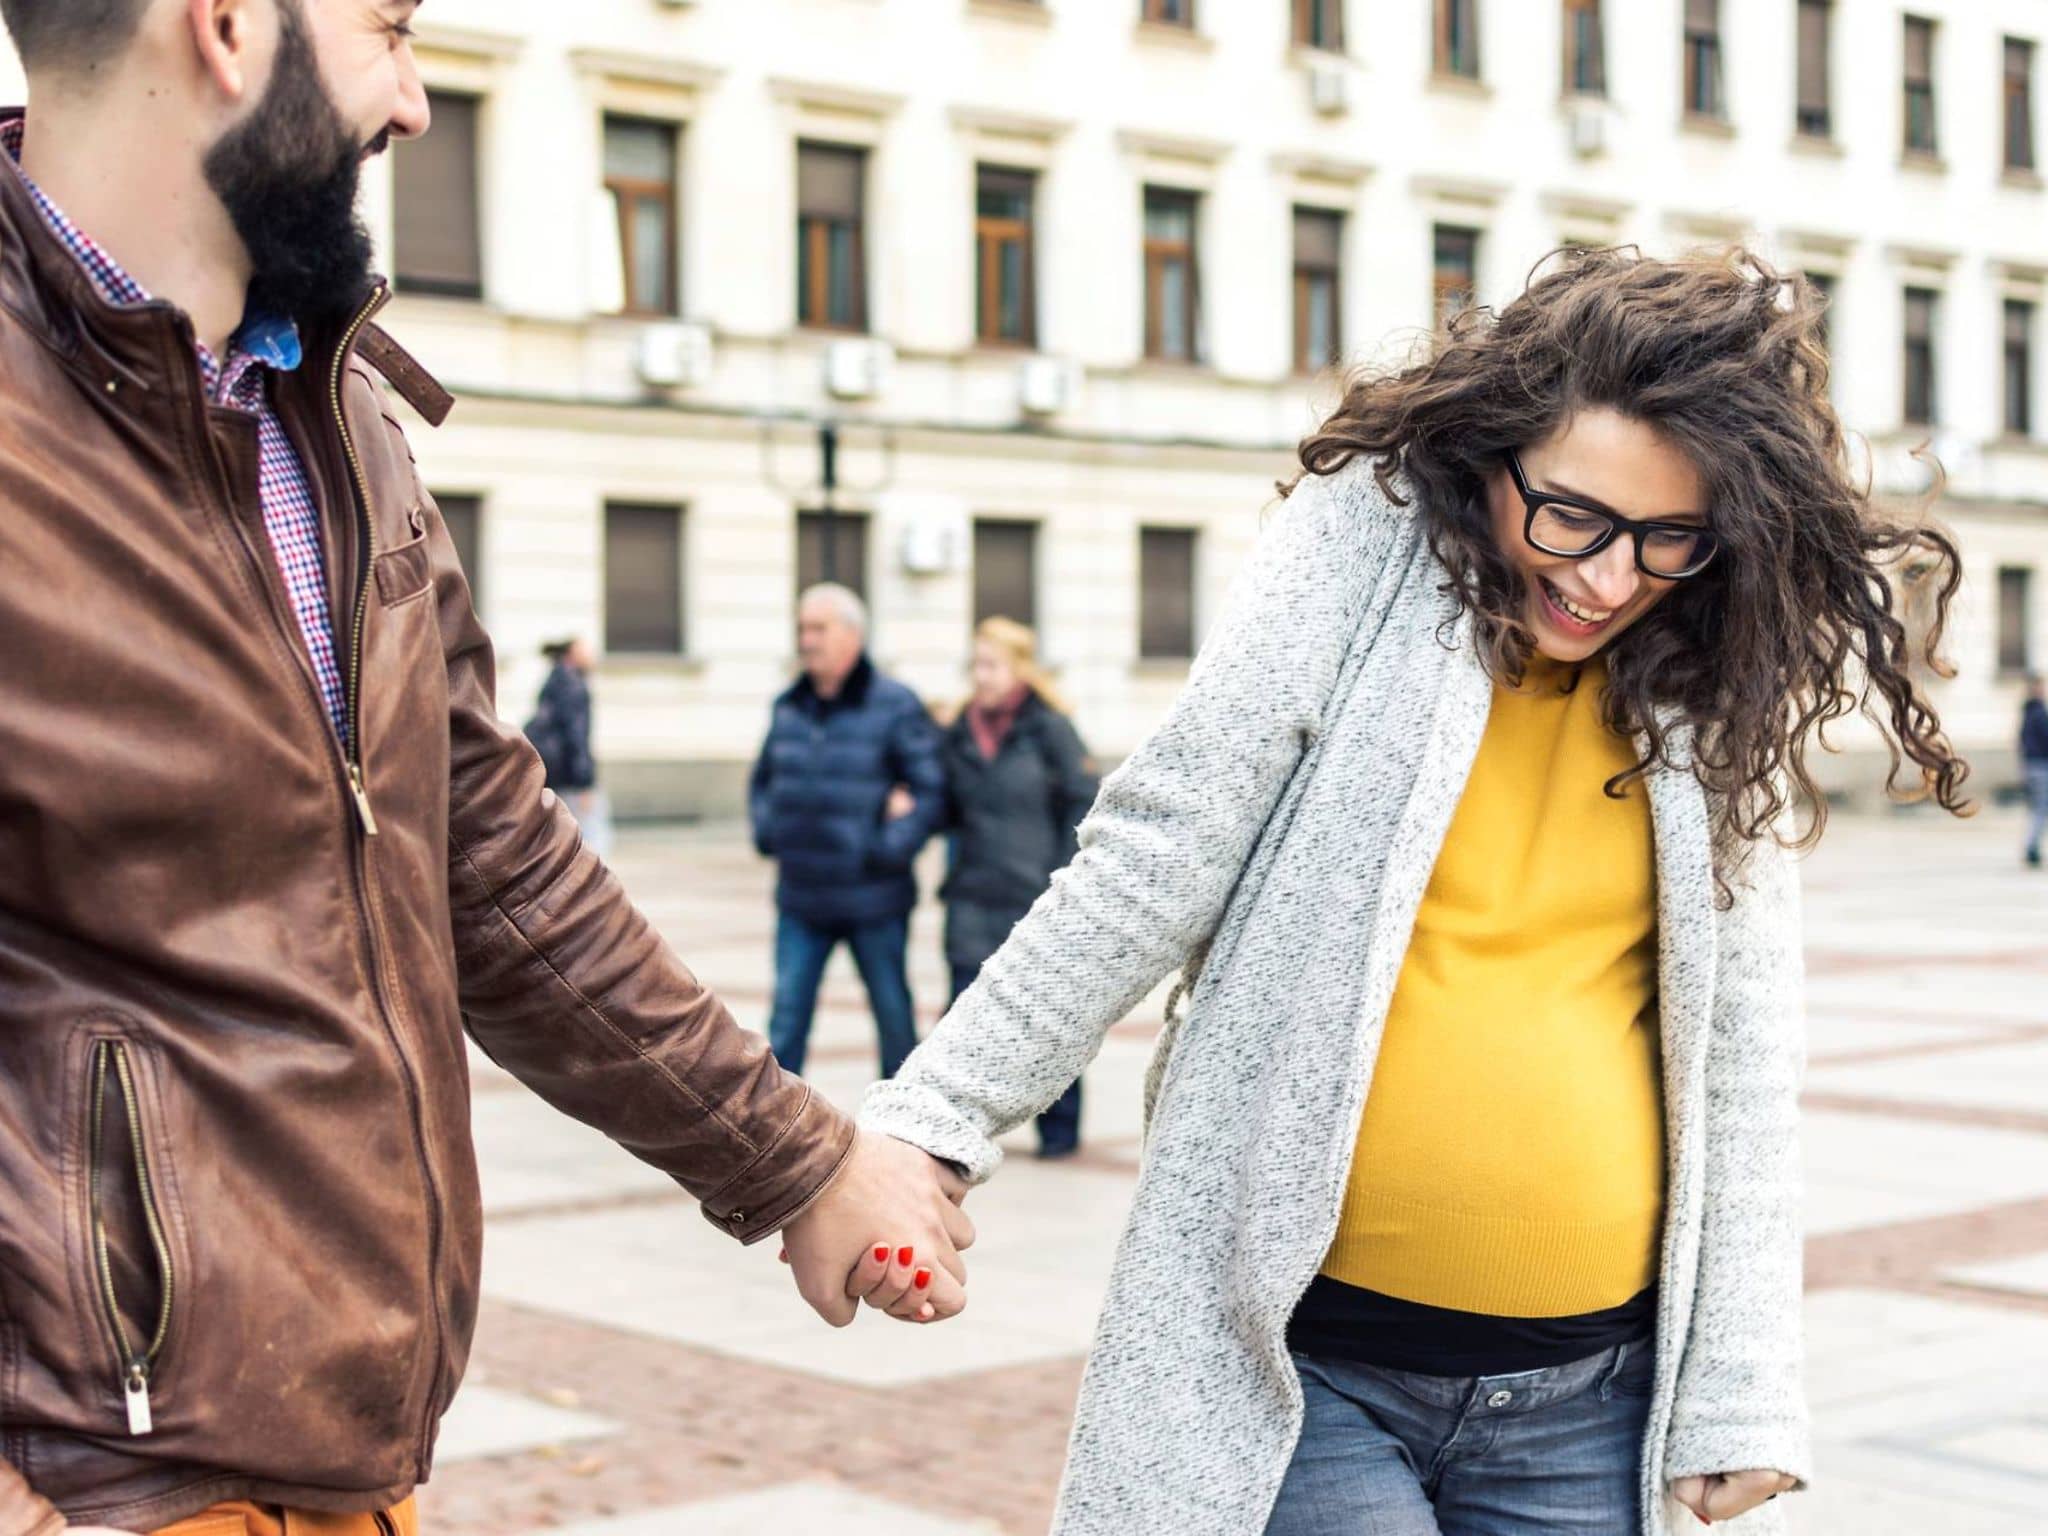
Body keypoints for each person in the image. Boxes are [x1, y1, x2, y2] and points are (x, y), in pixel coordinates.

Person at [0, 5, 969, 1534]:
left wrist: (796, 1163)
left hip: (355, 1458)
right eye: (390, 27)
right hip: (97, 1482)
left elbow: (493, 862)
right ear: (231, 26)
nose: (417, 101)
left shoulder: (336, 413)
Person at [859, 248, 1972, 1534]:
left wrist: (1742, 1382)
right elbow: (1155, 850)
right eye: (1572, 518)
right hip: (1303, 1373)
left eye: (1666, 539)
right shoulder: (1362, 549)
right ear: (1491, 454)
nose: (1606, 578)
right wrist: (938, 1116)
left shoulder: (1710, 673)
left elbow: (1741, 1051)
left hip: (1591, 1403)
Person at [751, 583, 946, 1080]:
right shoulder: (789, 704)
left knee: (893, 1018)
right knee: (788, 1020)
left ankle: (904, 1129)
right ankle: (776, 1133)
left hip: (873, 897)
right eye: (802, 628)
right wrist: (770, 831)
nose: (806, 640)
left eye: (818, 628)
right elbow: (763, 780)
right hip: (802, 896)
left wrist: (886, 849)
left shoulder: (895, 704)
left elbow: (930, 790)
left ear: (852, 636)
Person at [938, 618, 1099, 1157]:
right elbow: (943, 802)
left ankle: (1059, 1131)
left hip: (1033, 896)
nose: (981, 676)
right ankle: (953, 1131)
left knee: (1045, 1019)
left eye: (991, 665)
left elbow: (1084, 802)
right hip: (973, 890)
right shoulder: (960, 728)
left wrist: (1060, 875)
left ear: (1018, 669)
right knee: (961, 1016)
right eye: (976, 665)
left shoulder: (1050, 727)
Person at [525, 636, 609, 857]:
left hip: (552, 769)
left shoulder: (553, 680)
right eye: (585, 649)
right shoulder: (573, 685)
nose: (591, 655)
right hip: (570, 773)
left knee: (559, 832)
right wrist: (584, 783)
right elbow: (577, 735)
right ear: (572, 654)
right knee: (591, 834)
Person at [2023, 674, 2048, 868]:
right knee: (2041, 808)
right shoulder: (2038, 714)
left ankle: (2032, 845)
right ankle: (2031, 846)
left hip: (2031, 766)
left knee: (2039, 807)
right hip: (2040, 766)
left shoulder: (2027, 713)